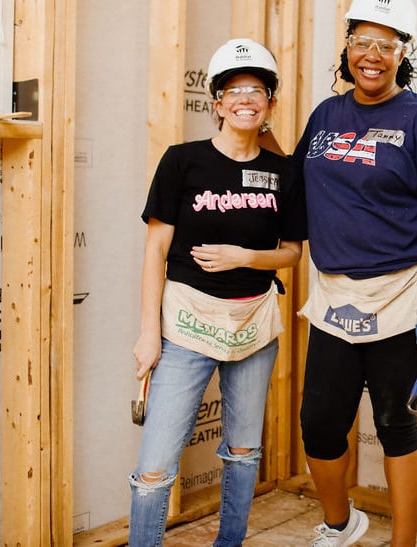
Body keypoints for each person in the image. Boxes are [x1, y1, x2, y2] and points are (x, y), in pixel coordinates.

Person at [292, 0, 417, 547]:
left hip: (400, 295)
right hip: (335, 297)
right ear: (346, 46)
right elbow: (295, 188)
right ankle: (341, 525)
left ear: (403, 54)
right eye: (363, 41)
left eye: (387, 45)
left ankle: (404, 543)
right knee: (319, 425)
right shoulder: (324, 117)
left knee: (394, 424)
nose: (373, 55)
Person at [128, 38, 307, 547]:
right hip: (185, 325)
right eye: (234, 90)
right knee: (157, 466)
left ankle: (229, 543)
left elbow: (292, 253)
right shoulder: (182, 162)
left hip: (253, 325)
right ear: (217, 103)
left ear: (270, 103)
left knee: (245, 451)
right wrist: (148, 335)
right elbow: (154, 252)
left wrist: (243, 256)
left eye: (257, 89)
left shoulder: (284, 172)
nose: (245, 98)